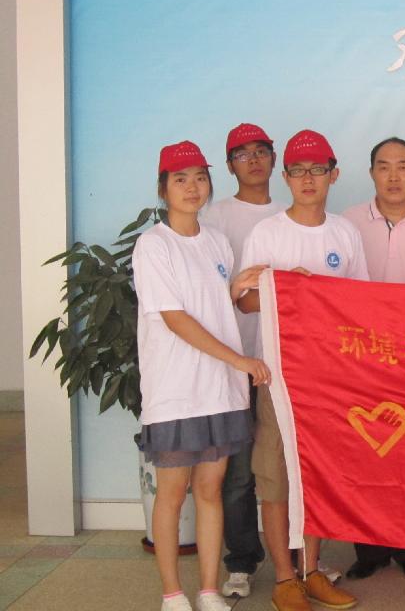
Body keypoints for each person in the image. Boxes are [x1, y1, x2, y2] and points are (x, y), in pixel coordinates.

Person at [133, 141, 270, 611]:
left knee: (211, 491)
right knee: (173, 494)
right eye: (180, 179)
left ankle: (208, 589)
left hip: (220, 391)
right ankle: (172, 593)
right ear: (163, 189)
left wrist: (239, 287)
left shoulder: (215, 241)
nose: (192, 188)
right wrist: (239, 360)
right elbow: (175, 318)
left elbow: (211, 303)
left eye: (199, 178)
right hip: (176, 390)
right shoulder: (154, 245)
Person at [238, 129, 368, 611]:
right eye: (297, 170)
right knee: (276, 478)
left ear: (334, 175)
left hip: (329, 379)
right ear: (286, 177)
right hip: (277, 377)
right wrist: (288, 290)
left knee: (317, 476)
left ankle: (313, 571)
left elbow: (359, 303)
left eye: (317, 169)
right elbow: (245, 301)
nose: (307, 179)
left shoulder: (344, 233)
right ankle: (284, 578)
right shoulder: (267, 233)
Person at [340, 137, 405, 580]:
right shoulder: (346, 223)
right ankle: (369, 549)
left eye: (403, 166)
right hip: (362, 361)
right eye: (384, 166)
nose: (394, 176)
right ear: (371, 173)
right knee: (365, 456)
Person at [201, 123, 283, 599]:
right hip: (230, 360)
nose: (253, 160)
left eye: (261, 151)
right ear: (230, 165)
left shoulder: (290, 215)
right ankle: (242, 561)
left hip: (279, 363)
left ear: (274, 158)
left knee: (283, 467)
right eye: (242, 154)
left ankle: (296, 559)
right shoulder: (212, 218)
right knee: (235, 475)